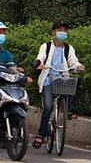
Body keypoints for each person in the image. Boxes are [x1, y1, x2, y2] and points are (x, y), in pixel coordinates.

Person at [32, 21, 85, 149]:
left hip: (62, 79)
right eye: (60, 30)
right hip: (48, 79)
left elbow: (73, 61)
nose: (63, 32)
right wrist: (39, 63)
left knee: (70, 87)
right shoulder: (46, 46)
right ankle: (41, 135)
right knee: (48, 107)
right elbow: (41, 57)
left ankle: (66, 111)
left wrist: (78, 66)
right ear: (53, 32)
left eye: (65, 30)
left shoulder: (68, 48)